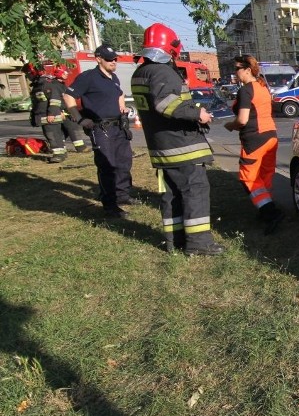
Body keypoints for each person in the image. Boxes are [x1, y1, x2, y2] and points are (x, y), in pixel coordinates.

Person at [131, 23, 224, 256]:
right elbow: (165, 104)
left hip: (160, 147)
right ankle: (199, 243)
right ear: (170, 48)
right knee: (195, 191)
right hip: (181, 146)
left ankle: (175, 241)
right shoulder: (162, 72)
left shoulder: (139, 73)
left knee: (171, 195)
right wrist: (198, 114)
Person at [63, 45, 135, 217]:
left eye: (115, 59)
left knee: (124, 161)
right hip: (101, 128)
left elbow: (119, 93)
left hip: (118, 126)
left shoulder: (114, 78)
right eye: (109, 59)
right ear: (98, 59)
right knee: (107, 165)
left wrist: (122, 107)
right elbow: (68, 95)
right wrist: (80, 118)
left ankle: (122, 195)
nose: (113, 62)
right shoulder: (88, 77)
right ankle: (110, 204)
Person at [224, 55, 285, 235]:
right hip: (271, 137)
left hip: (254, 139)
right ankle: (266, 209)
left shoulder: (246, 90)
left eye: (236, 69)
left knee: (248, 178)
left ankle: (271, 213)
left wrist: (229, 125)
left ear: (247, 70)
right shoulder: (262, 86)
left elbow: (242, 120)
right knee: (264, 175)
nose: (234, 73)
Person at [26, 62, 69, 163]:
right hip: (46, 116)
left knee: (52, 135)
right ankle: (62, 153)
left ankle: (58, 155)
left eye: (28, 73)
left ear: (34, 72)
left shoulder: (45, 84)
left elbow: (54, 99)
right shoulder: (39, 84)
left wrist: (51, 113)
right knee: (55, 135)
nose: (27, 76)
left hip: (49, 116)